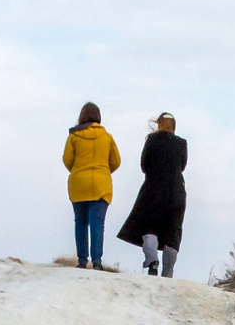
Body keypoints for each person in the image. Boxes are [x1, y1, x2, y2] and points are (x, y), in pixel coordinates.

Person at [117, 113, 188, 277]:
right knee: (174, 229)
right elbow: (182, 166)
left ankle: (152, 261)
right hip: (176, 192)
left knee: (151, 226)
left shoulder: (151, 140)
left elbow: (144, 165)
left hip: (153, 189)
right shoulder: (181, 143)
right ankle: (168, 271)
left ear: (159, 125)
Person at [62, 103, 121, 269]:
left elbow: (67, 160)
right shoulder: (107, 136)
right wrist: (103, 170)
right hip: (101, 185)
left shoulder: (73, 137)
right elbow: (116, 161)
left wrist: (78, 170)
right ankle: (97, 261)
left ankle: (82, 261)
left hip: (79, 183)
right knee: (97, 223)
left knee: (80, 222)